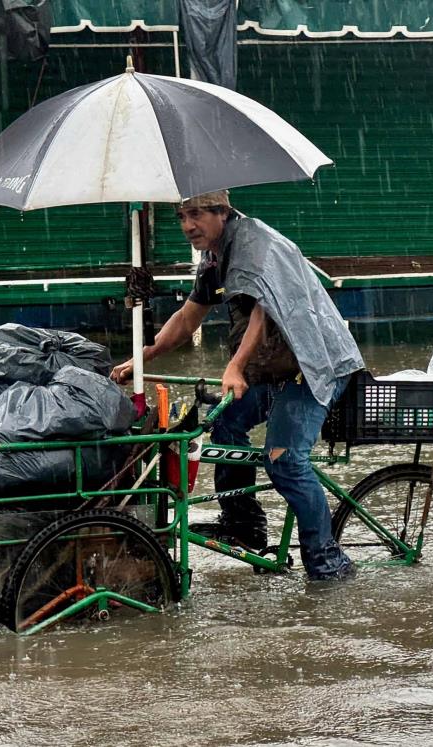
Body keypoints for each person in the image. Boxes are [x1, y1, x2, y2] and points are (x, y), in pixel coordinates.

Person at [111, 190, 364, 580]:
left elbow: (265, 311)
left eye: (195, 215)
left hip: (313, 365)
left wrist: (235, 366)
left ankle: (327, 561)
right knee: (225, 424)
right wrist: (143, 358)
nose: (186, 226)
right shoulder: (214, 257)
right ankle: (244, 527)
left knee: (285, 462)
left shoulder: (254, 246)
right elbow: (187, 318)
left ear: (222, 213)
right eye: (181, 216)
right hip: (274, 370)